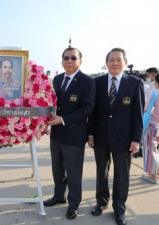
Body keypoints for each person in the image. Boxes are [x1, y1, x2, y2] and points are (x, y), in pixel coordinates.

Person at [87, 48, 144, 225]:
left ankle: (119, 208)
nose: (115, 63)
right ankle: (101, 201)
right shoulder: (97, 82)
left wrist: (136, 139)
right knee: (101, 171)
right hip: (100, 136)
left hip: (124, 138)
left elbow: (138, 114)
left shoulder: (135, 83)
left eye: (118, 60)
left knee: (122, 174)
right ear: (106, 62)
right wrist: (90, 133)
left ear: (125, 63)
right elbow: (93, 112)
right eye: (111, 60)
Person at [44, 47, 95, 220]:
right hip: (56, 134)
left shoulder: (87, 82)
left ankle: (74, 204)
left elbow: (87, 109)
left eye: (74, 57)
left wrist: (63, 119)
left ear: (80, 61)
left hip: (73, 135)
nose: (69, 60)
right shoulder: (57, 79)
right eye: (66, 57)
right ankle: (59, 196)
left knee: (73, 172)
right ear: (61, 61)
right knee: (57, 169)